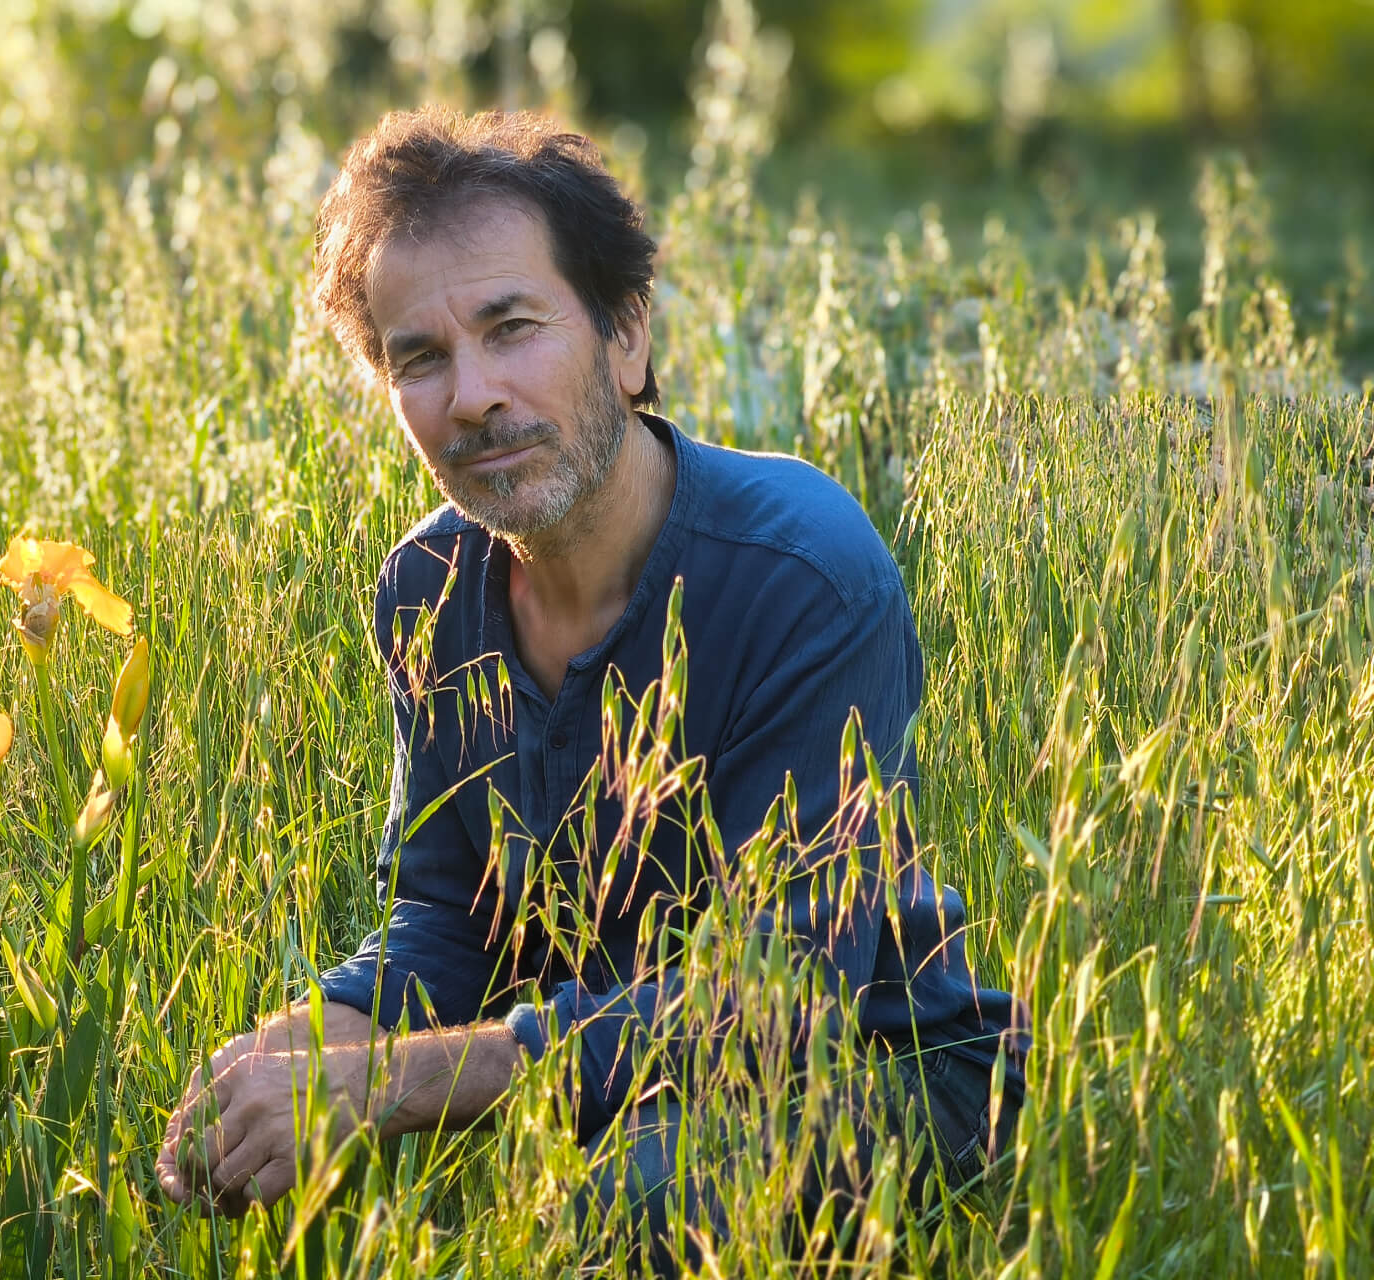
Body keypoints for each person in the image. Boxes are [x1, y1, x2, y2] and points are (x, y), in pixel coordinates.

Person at [156, 106, 1026, 1271]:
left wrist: (393, 1082)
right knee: (239, 1137)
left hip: (879, 1066)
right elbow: (448, 914)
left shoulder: (805, 568)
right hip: (595, 1067)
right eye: (419, 357)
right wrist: (312, 1044)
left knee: (624, 1203)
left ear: (624, 335)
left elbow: (777, 998)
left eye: (512, 327)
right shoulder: (424, 586)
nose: (471, 394)